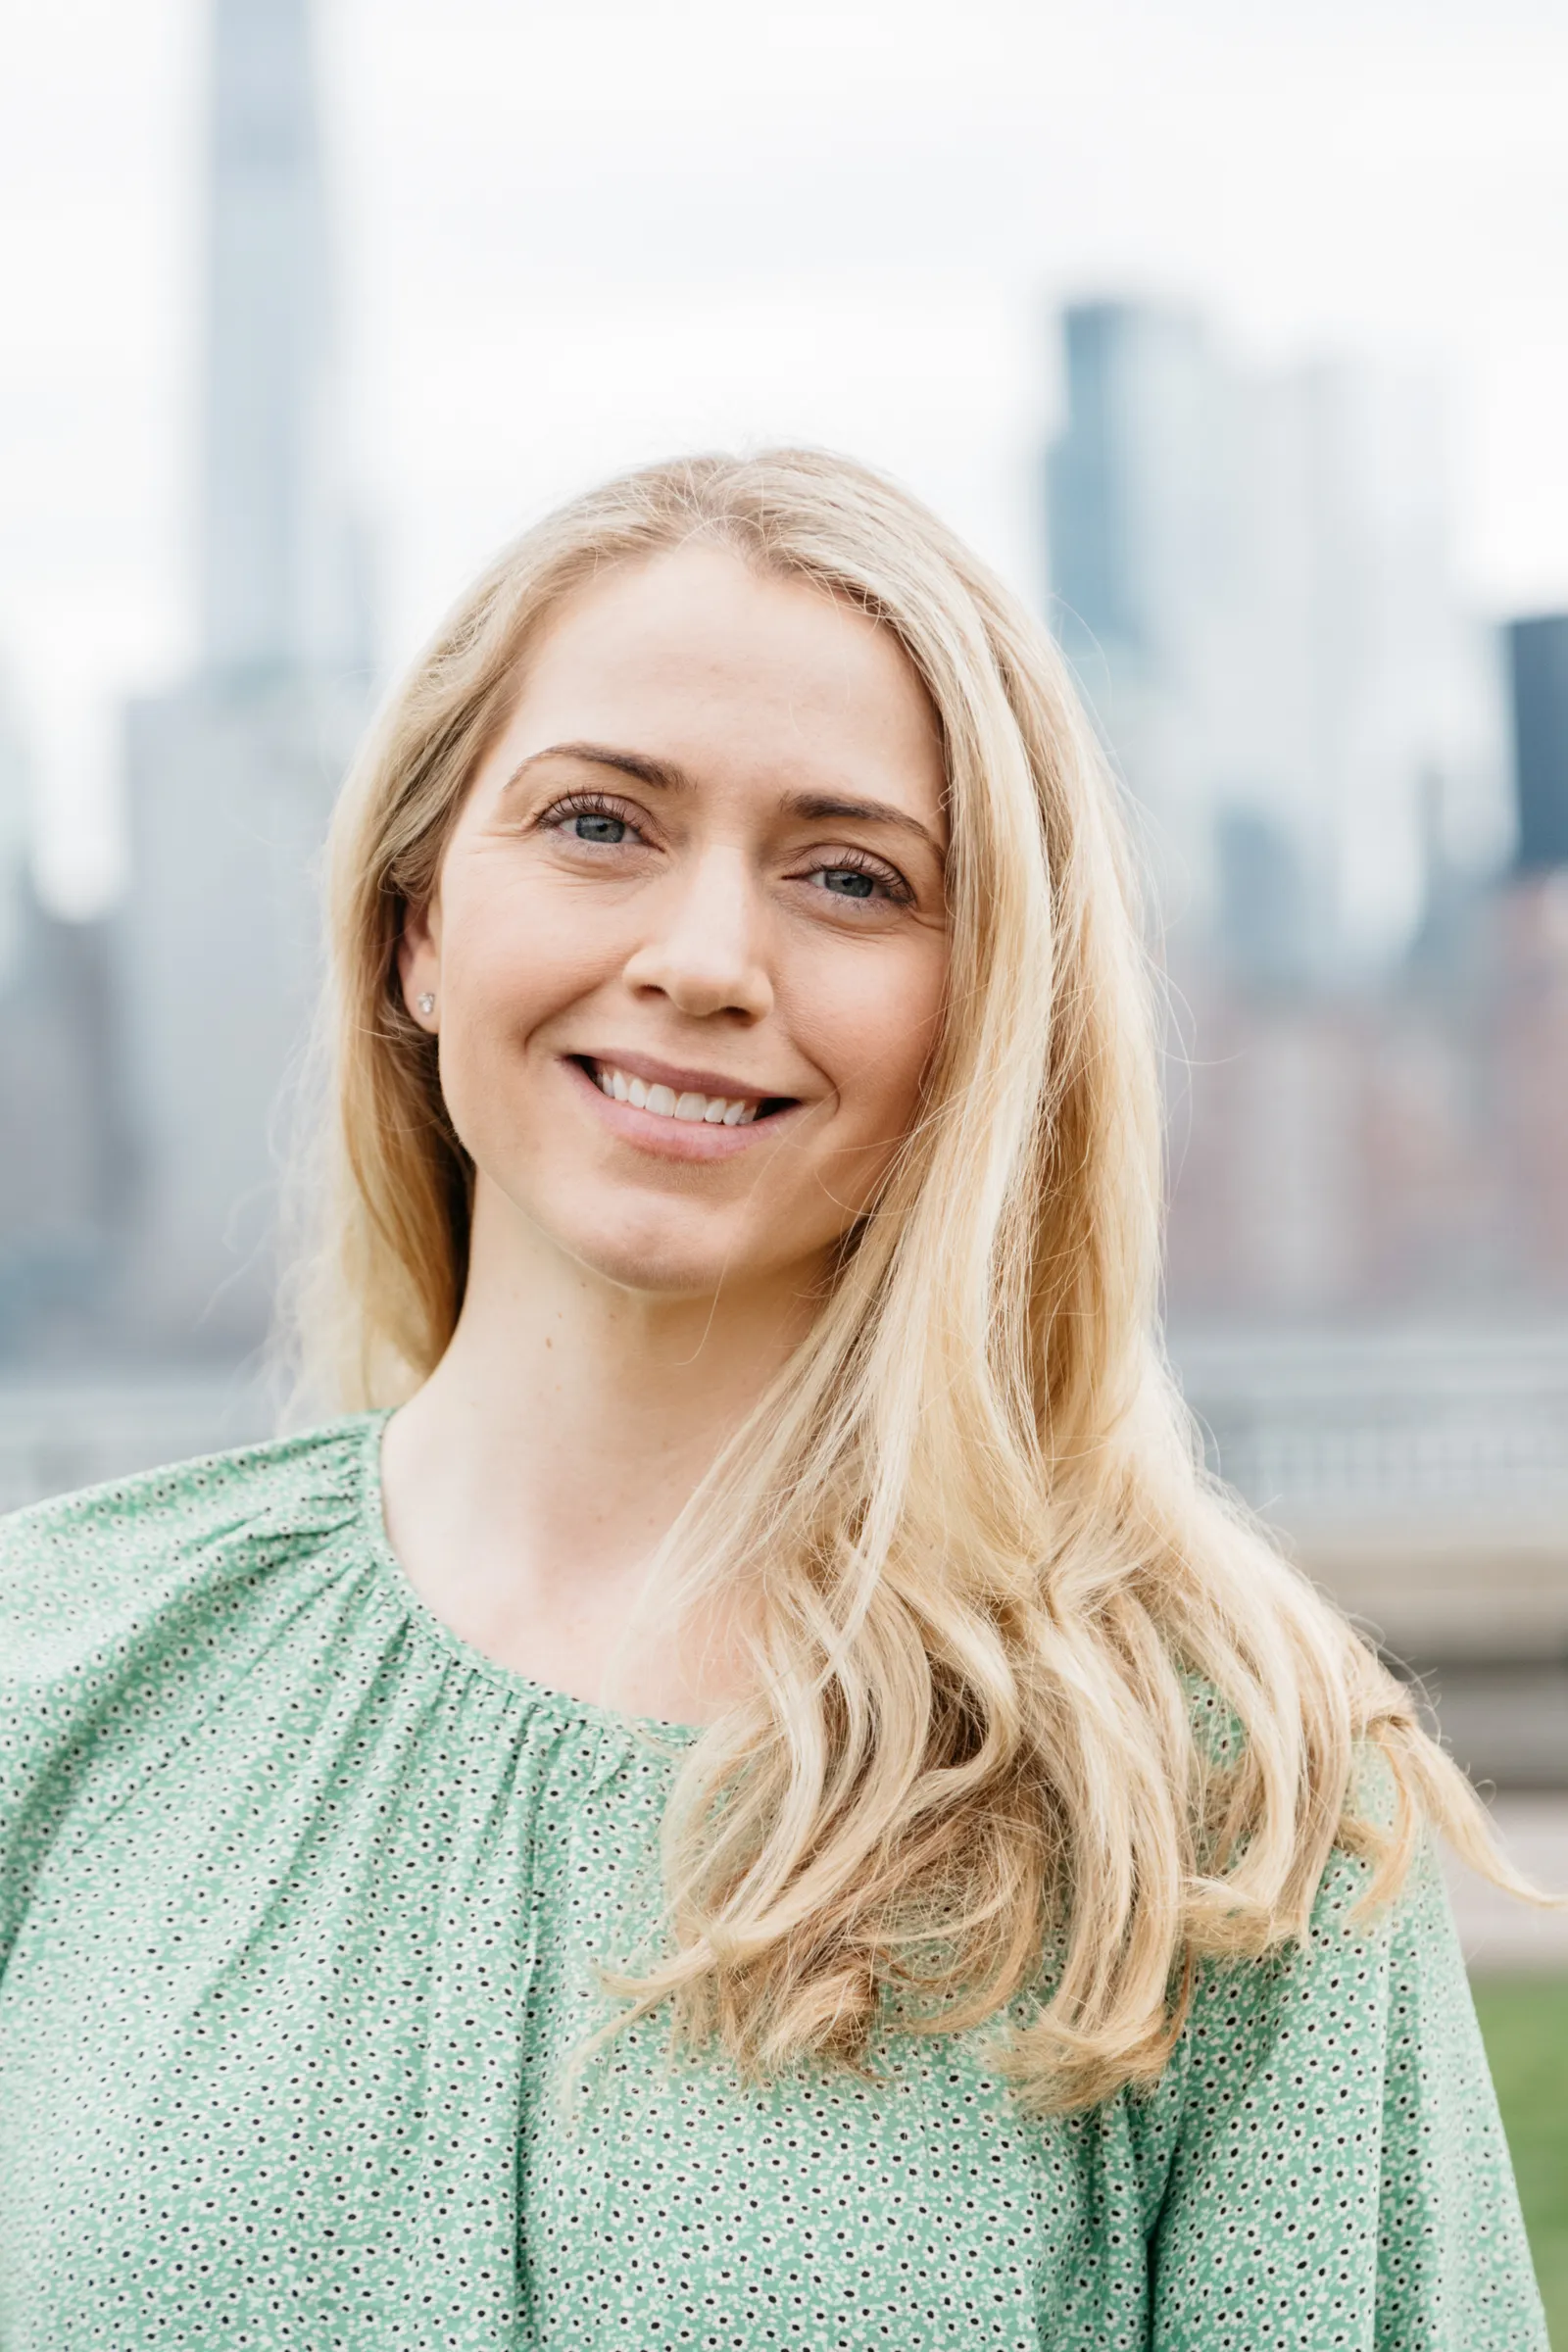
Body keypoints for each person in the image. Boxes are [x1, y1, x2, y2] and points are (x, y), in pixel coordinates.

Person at [0, 450, 1547, 2350]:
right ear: (414, 923)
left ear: (985, 1009)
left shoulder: (1217, 1799)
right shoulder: (51, 1678)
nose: (702, 962)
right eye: (595, 825)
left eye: (848, 877)